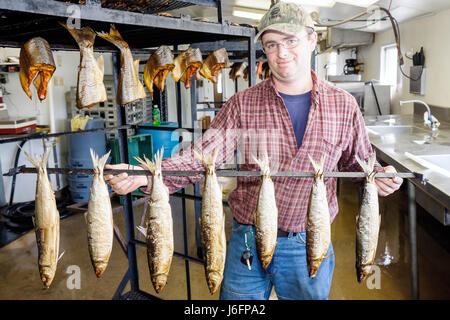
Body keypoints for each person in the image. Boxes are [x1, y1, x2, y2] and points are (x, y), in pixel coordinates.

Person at [105, 1, 403, 300]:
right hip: (246, 239)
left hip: (309, 241)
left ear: (312, 40)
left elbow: (358, 163)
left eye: (290, 40)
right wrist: (147, 174)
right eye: (272, 44)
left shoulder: (343, 105)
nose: (282, 52)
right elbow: (203, 154)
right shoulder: (242, 104)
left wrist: (379, 176)